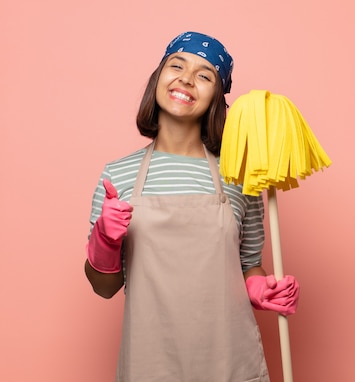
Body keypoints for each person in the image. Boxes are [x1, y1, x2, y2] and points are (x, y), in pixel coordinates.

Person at [84, 31, 300, 382]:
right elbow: (104, 287)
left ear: (217, 96)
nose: (186, 78)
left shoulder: (238, 177)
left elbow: (249, 267)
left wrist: (262, 289)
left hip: (230, 361)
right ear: (159, 78)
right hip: (149, 363)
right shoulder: (117, 175)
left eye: (204, 75)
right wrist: (104, 242)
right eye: (177, 65)